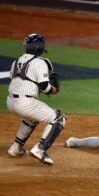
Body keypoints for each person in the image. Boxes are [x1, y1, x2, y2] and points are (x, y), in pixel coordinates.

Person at [7, 33, 67, 165]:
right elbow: (45, 87)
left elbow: (19, 81)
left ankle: (15, 148)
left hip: (10, 102)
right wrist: (54, 90)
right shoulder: (40, 62)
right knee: (59, 118)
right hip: (24, 103)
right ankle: (40, 149)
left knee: (32, 117)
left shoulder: (16, 61)